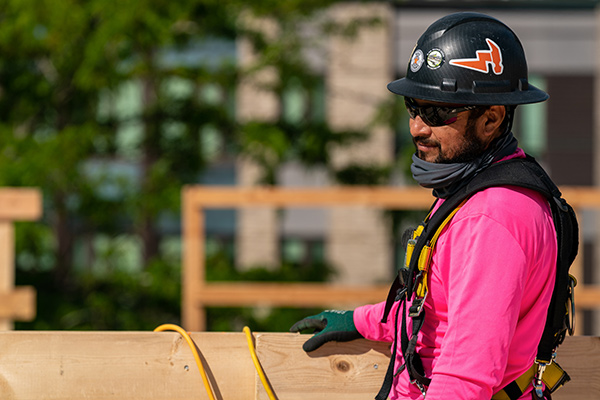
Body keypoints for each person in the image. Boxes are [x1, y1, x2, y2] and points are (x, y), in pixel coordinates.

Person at [290, 11, 573, 400]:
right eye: (413, 106)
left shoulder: (490, 218)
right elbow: (442, 310)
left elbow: (464, 381)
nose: (417, 127)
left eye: (438, 112)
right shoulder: (481, 191)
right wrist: (365, 320)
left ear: (491, 119)